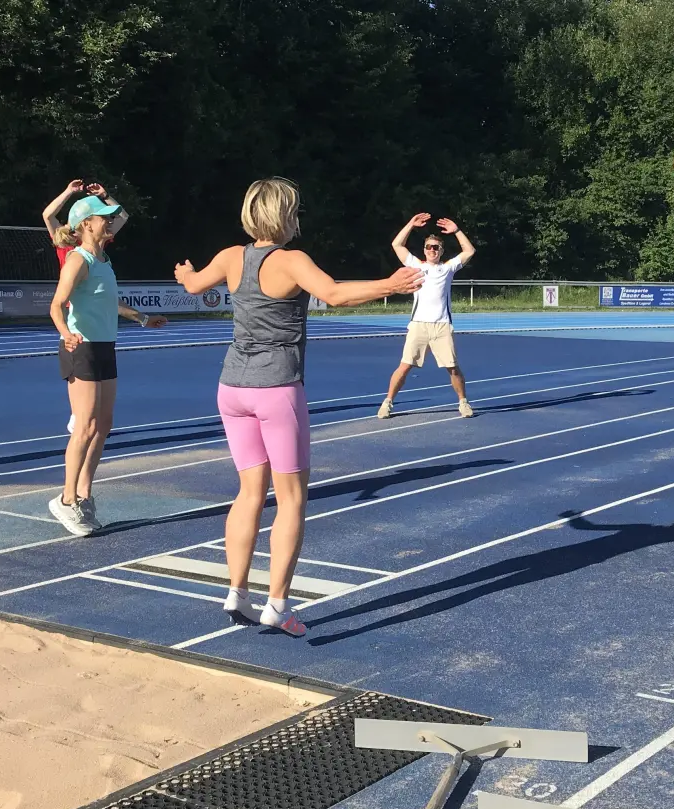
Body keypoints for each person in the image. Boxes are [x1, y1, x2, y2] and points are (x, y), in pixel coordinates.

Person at [175, 178, 423, 636]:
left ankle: (236, 591)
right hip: (276, 389)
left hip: (232, 387)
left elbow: (191, 285)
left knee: (249, 493)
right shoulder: (291, 261)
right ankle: (277, 603)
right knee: (291, 499)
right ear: (283, 216)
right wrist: (390, 284)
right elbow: (335, 294)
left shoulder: (231, 257)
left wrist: (185, 272)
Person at [47, 194, 167, 536]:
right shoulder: (78, 260)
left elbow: (110, 302)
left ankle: (84, 494)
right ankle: (66, 499)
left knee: (103, 425)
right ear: (87, 224)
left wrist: (142, 318)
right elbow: (56, 305)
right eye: (104, 217)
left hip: (104, 347)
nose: (110, 221)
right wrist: (66, 334)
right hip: (81, 348)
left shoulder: (103, 260)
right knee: (84, 426)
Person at [44, 180, 130, 434]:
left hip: (93, 315)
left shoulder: (98, 250)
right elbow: (48, 215)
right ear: (82, 225)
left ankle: (84, 422)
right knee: (86, 417)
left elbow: (122, 217)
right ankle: (80, 420)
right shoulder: (68, 249)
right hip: (75, 307)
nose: (107, 223)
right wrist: (68, 192)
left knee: (98, 416)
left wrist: (106, 196)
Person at [376, 213, 476, 420]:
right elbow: (397, 245)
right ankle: (387, 402)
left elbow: (469, 251)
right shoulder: (416, 265)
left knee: (453, 368)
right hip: (418, 326)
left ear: (441, 251)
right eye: (429, 247)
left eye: (436, 247)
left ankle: (463, 402)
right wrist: (411, 224)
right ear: (424, 250)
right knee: (404, 366)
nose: (432, 250)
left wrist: (457, 231)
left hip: (442, 326)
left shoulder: (447, 268)